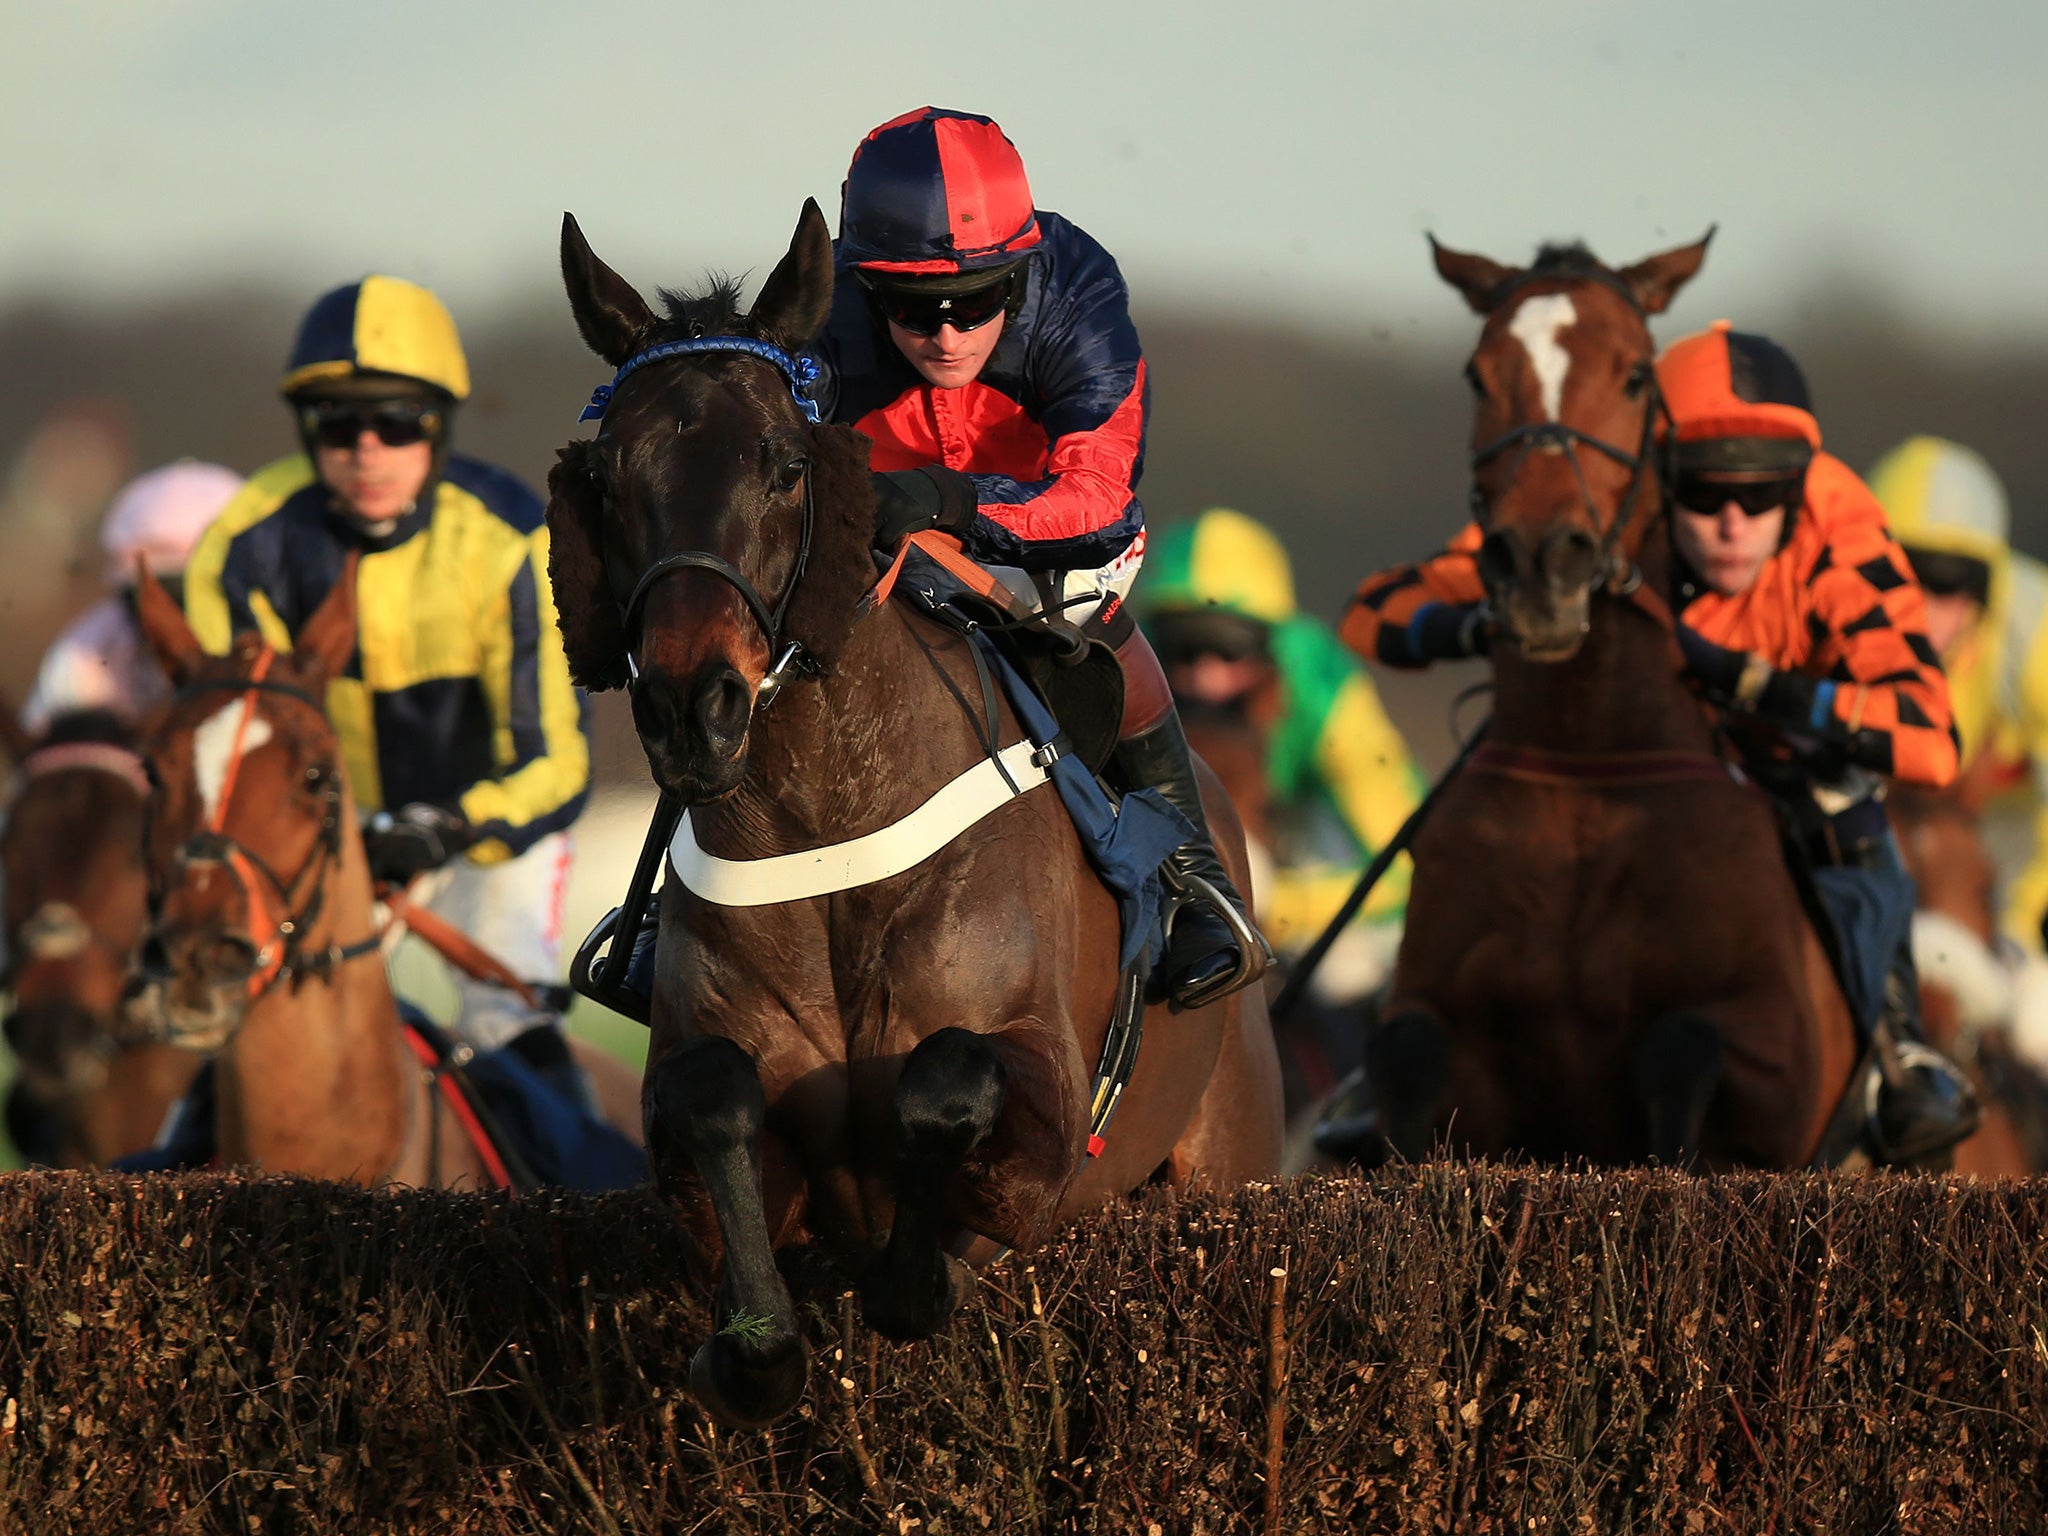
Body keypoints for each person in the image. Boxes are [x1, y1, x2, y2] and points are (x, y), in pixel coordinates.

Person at [1341, 320, 1978, 1164]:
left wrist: (1758, 686)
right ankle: (1404, 1038)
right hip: (1628, 762)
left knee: (1851, 813)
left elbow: (1932, 740)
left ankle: (1901, 1059)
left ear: (1800, 485)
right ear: (1656, 482)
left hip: (1786, 762)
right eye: (1706, 495)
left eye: (1763, 497)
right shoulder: (1602, 511)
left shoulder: (1839, 522)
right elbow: (1370, 614)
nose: (1733, 523)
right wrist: (1490, 619)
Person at [803, 106, 1270, 1010]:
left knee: (1085, 623)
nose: (947, 335)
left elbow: (1099, 502)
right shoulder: (818, 314)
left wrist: (955, 501)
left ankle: (1195, 885)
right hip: (879, 538)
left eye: (977, 301)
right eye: (912, 307)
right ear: (866, 289)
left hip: (1046, 541)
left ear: (1020, 274)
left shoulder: (1080, 295)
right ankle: (675, 910)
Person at [183, 275, 592, 1088]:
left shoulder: (510, 540)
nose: (366, 449)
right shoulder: (247, 544)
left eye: (396, 423)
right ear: (310, 434)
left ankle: (590, 1199)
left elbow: (555, 763)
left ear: (437, 430)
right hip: (331, 840)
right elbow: (240, 752)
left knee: (507, 1019)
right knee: (229, 1023)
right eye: (340, 425)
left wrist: (445, 825)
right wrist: (346, 832)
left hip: (484, 840)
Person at [1141, 507, 1423, 970]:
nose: (1206, 677)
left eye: (1229, 646)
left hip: (1306, 842)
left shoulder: (1324, 690)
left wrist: (1279, 908)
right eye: (1183, 646)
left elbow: (1402, 870)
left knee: (1349, 968)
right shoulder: (1132, 672)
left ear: (1270, 642)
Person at [1868, 436, 2048, 949]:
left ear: (1984, 586)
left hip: (2016, 829)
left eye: (1945, 581)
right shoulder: (1829, 617)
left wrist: (2018, 931)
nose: (1920, 605)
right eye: (1899, 575)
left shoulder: (2038, 634)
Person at [22, 461, 243, 736]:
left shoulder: (276, 644)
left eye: (189, 596)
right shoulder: (87, 652)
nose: (167, 617)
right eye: (152, 592)